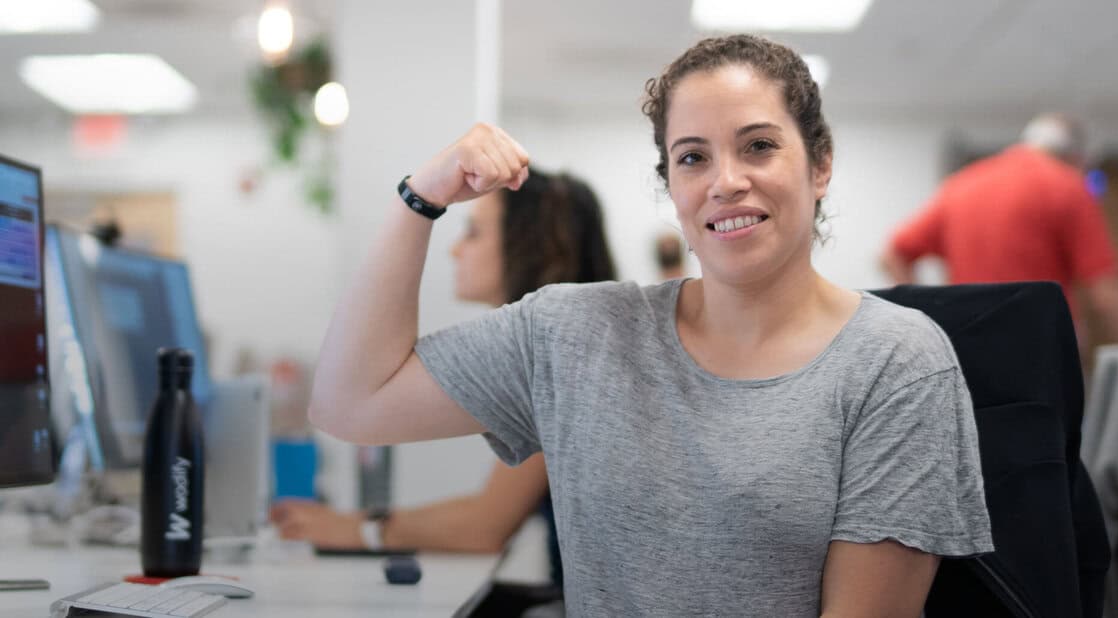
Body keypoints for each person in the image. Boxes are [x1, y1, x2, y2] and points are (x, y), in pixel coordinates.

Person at [310, 34, 992, 616]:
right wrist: (421, 199)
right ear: (672, 185)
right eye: (693, 157)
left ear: (820, 164)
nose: (725, 181)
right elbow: (349, 402)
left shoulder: (896, 361)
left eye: (757, 146)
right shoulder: (576, 333)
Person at [273, 168, 615, 587]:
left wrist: (355, 529)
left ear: (530, 245)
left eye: (472, 233)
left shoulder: (573, 355)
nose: (454, 251)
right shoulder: (571, 344)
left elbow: (485, 525)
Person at [880, 113, 1118, 351]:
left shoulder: (962, 185)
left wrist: (928, 327)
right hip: (1038, 352)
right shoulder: (1067, 186)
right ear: (1077, 156)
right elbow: (1106, 296)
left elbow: (892, 255)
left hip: (965, 349)